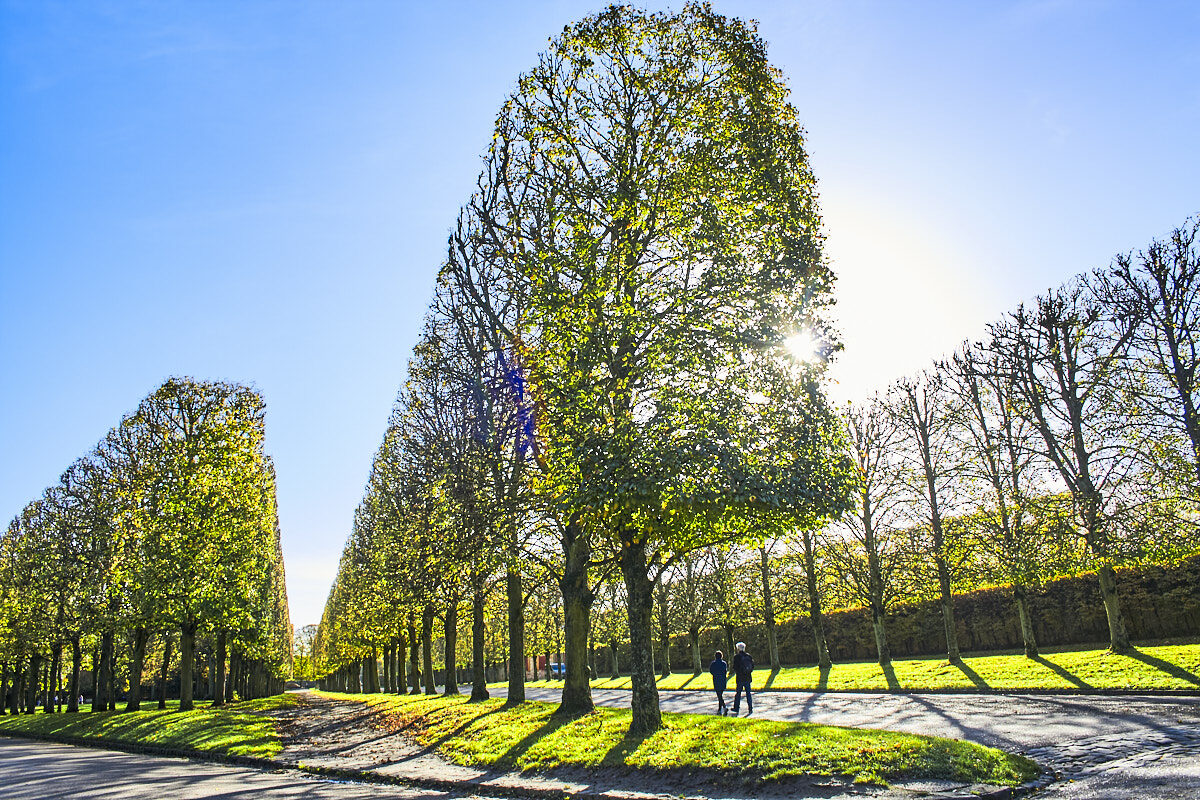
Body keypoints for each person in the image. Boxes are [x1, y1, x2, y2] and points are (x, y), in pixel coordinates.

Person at [730, 641, 754, 716]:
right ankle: (750, 708)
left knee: (738, 693)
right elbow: (752, 666)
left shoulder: (736, 657)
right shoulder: (748, 656)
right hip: (747, 677)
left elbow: (735, 667)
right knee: (748, 693)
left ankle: (736, 707)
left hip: (740, 678)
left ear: (738, 649)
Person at [709, 650, 728, 715]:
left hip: (716, 680)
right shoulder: (724, 663)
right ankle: (720, 709)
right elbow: (725, 671)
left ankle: (724, 707)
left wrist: (715, 674)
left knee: (719, 695)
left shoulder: (713, 664)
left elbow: (711, 671)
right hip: (723, 680)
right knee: (720, 695)